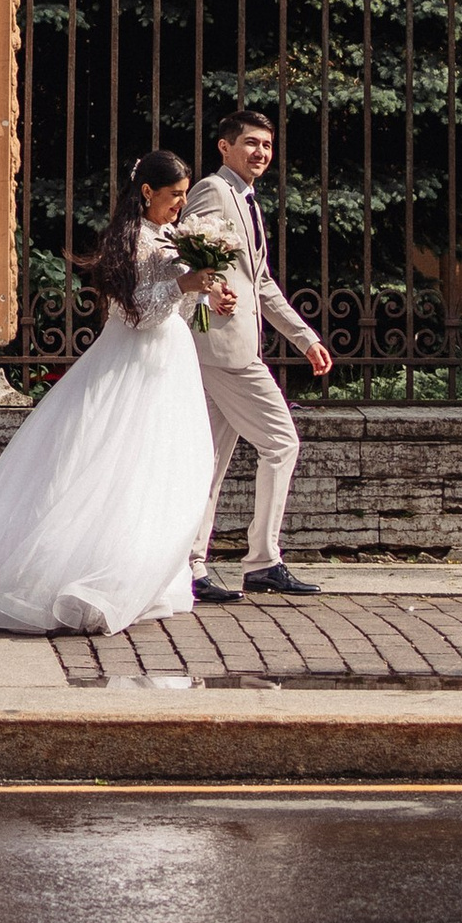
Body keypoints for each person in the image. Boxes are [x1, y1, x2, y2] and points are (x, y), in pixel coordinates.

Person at [0, 152, 233, 635]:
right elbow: (134, 316)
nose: (181, 204)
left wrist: (203, 291)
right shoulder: (126, 241)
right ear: (147, 192)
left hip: (168, 367)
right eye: (174, 195)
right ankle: (53, 576)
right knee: (96, 466)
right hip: (126, 369)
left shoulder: (170, 237)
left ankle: (134, 573)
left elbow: (172, 310)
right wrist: (183, 283)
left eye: (185, 195)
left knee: (152, 471)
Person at [179, 104, 332, 603]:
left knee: (211, 462)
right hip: (224, 348)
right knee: (282, 442)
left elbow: (260, 281)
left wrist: (303, 337)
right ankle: (263, 560)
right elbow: (188, 251)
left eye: (266, 145)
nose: (261, 152)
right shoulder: (213, 190)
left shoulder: (247, 199)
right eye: (251, 143)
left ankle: (191, 565)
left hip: (226, 345)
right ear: (225, 147)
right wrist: (211, 290)